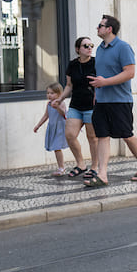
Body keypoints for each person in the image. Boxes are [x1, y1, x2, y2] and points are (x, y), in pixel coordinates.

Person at [86, 14, 137, 187]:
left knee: (126, 135)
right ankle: (102, 174)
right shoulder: (99, 49)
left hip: (120, 100)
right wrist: (96, 94)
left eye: (100, 25)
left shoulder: (123, 47)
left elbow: (130, 73)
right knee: (102, 136)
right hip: (101, 101)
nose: (97, 28)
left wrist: (105, 82)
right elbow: (100, 76)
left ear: (109, 29)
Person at [57, 36, 98, 177]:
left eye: (91, 45)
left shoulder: (96, 63)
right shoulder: (72, 64)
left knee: (92, 138)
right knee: (69, 135)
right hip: (76, 105)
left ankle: (95, 167)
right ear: (77, 49)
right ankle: (81, 164)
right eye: (85, 46)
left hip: (91, 106)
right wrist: (60, 98)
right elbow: (69, 85)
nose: (89, 48)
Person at [34, 82, 69, 176]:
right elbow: (46, 116)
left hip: (60, 128)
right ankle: (60, 167)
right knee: (56, 148)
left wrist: (57, 107)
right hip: (52, 127)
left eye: (52, 93)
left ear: (59, 94)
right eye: (48, 93)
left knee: (57, 147)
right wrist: (38, 125)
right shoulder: (49, 104)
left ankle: (61, 168)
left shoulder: (60, 103)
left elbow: (63, 114)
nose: (49, 95)